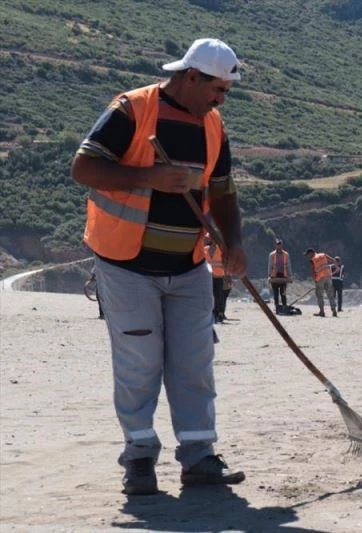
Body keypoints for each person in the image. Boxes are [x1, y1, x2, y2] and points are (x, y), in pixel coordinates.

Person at [70, 38, 249, 495]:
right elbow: (84, 168)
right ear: (192, 76)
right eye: (218, 88)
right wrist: (147, 177)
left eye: (225, 92)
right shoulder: (132, 109)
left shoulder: (213, 125)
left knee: (194, 362)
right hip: (126, 265)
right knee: (138, 364)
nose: (221, 98)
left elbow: (224, 191)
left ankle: (199, 457)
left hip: (189, 266)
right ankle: (140, 459)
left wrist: (234, 243)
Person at [305, 248, 337, 317]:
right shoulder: (323, 254)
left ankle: (322, 312)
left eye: (308, 255)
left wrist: (315, 280)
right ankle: (334, 310)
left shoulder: (312, 260)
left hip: (320, 278)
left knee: (320, 295)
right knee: (330, 294)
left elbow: (313, 271)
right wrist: (336, 268)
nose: (308, 256)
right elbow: (333, 260)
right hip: (328, 277)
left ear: (311, 253)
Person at [204, 235, 228, 323]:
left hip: (218, 276)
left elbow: (225, 263)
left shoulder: (220, 250)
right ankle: (212, 314)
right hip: (208, 277)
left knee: (218, 296)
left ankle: (218, 313)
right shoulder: (204, 249)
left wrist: (227, 276)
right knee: (210, 296)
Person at [267, 238, 292, 310]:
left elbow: (288, 265)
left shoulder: (286, 254)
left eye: (280, 245)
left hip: (283, 275)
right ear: (275, 245)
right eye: (277, 245)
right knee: (275, 292)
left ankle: (284, 305)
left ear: (282, 245)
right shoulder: (271, 255)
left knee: (283, 292)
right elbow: (270, 266)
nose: (278, 246)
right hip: (274, 276)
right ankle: (277, 306)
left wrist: (290, 276)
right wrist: (269, 276)